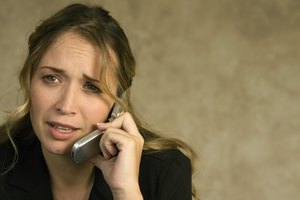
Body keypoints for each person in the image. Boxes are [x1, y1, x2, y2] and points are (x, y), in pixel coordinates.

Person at [0, 3, 199, 200]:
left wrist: (125, 191)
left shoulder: (165, 171)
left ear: (116, 104)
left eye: (92, 87)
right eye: (52, 78)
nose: (66, 105)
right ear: (29, 80)